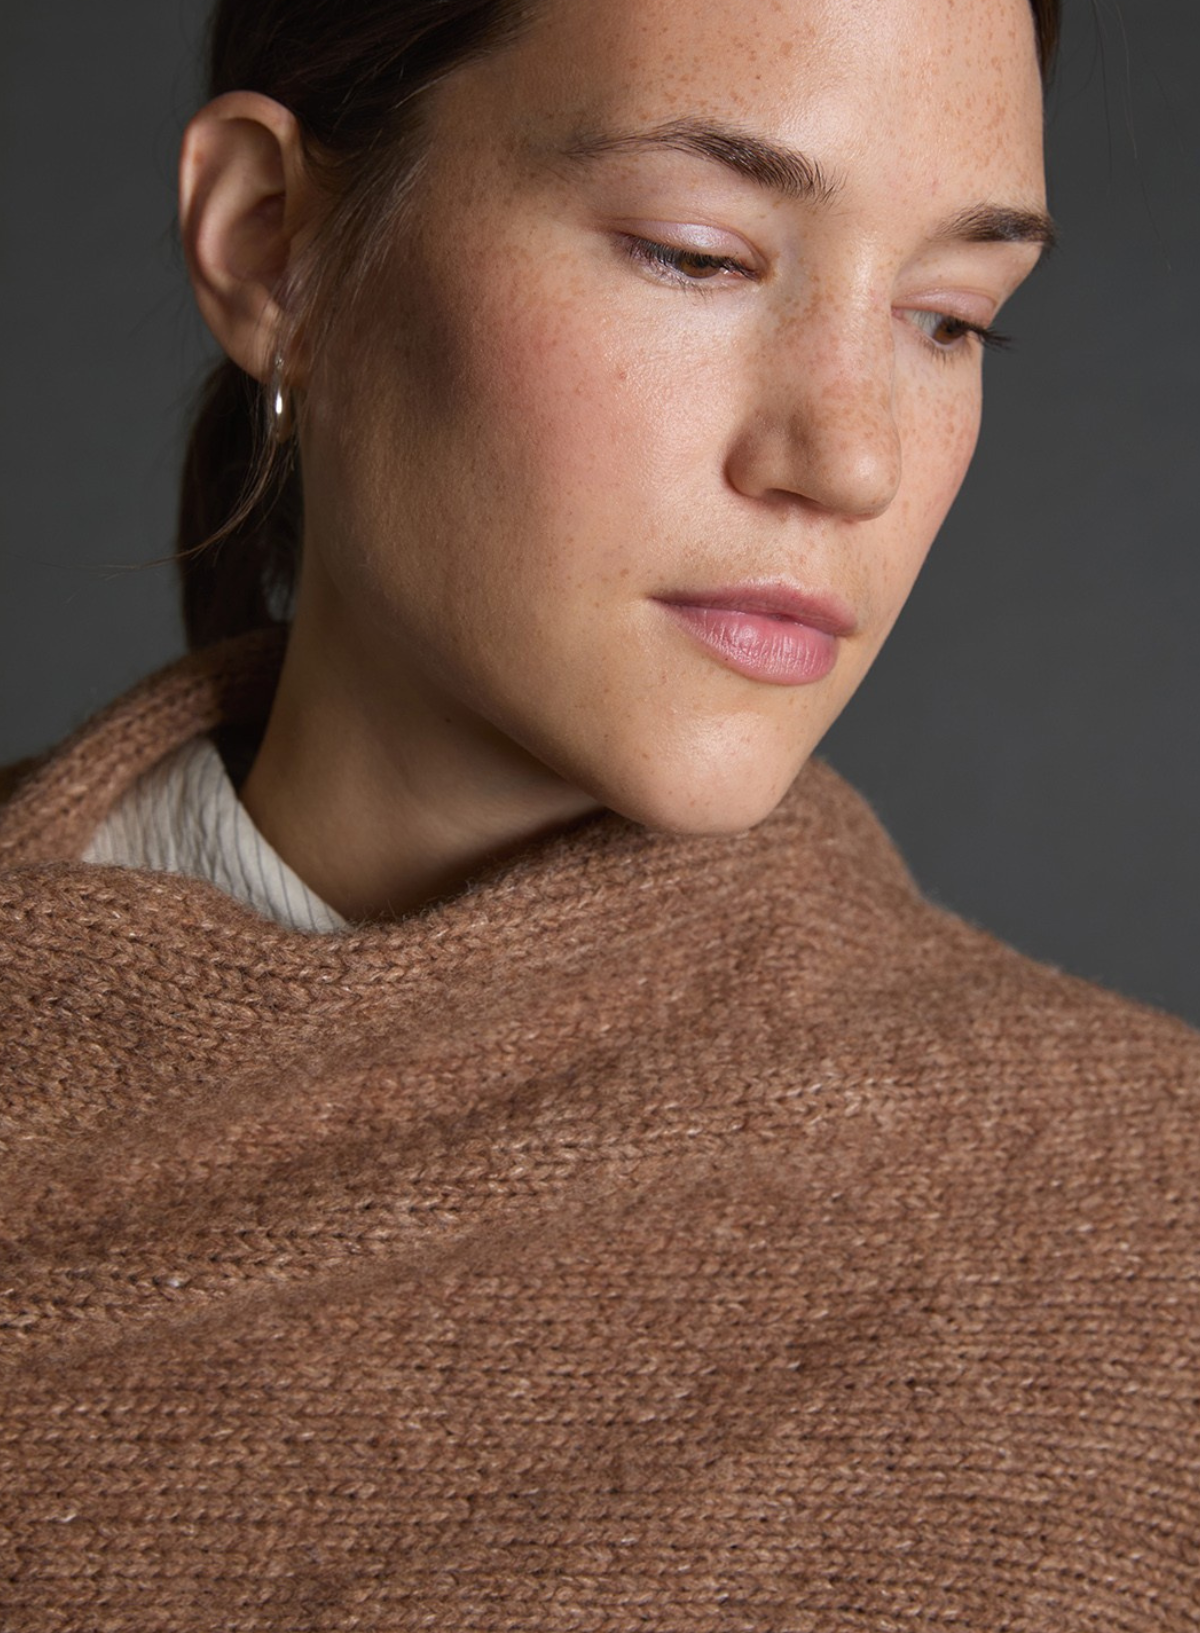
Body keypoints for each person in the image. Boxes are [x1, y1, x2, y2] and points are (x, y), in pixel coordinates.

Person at [1, 0, 1197, 1626]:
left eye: (949, 315)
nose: (848, 456)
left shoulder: (1137, 1236)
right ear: (273, 244)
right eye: (701, 254)